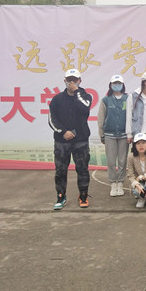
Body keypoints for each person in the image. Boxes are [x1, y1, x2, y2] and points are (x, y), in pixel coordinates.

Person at [48, 69, 93, 210]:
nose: (71, 82)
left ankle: (83, 196)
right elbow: (51, 119)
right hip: (62, 142)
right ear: (64, 81)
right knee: (60, 170)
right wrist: (63, 132)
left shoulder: (86, 96)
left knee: (82, 169)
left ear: (80, 81)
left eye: (74, 80)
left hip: (81, 141)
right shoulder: (57, 99)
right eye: (69, 80)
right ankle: (61, 196)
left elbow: (85, 109)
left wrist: (77, 92)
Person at [97, 74, 129, 197]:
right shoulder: (106, 100)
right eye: (114, 83)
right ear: (110, 85)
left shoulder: (128, 98)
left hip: (124, 135)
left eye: (119, 83)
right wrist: (102, 134)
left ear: (123, 85)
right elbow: (101, 118)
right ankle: (112, 184)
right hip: (109, 134)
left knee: (122, 160)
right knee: (111, 161)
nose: (117, 85)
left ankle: (120, 183)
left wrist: (130, 133)